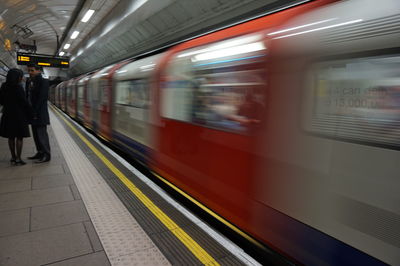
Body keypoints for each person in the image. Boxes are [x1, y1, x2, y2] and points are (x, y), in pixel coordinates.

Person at [0, 68, 32, 165]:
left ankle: (13, 157)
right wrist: (31, 112)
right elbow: (24, 102)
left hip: (7, 114)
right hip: (19, 115)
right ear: (18, 77)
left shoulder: (4, 86)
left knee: (10, 137)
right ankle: (18, 158)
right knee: (19, 137)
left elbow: (1, 101)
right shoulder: (18, 87)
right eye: (21, 76)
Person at [26, 64, 51, 163]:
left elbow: (42, 98)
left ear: (38, 71)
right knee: (35, 135)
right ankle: (39, 152)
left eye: (32, 70)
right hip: (32, 113)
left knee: (41, 135)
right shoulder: (29, 81)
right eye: (28, 70)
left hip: (40, 113)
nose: (30, 73)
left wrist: (35, 112)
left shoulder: (44, 82)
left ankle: (46, 154)